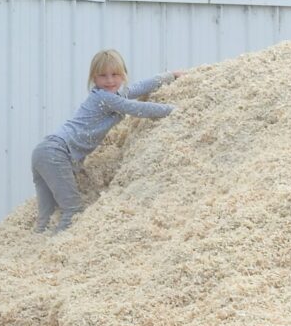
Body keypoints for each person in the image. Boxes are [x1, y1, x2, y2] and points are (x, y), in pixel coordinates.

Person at [32, 49, 182, 232]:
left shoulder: (113, 95)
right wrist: (177, 110)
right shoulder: (103, 98)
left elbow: (139, 87)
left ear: (123, 75)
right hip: (56, 153)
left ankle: (39, 241)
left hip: (43, 151)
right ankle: (57, 248)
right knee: (73, 210)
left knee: (47, 215)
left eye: (115, 74)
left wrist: (170, 76)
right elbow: (137, 108)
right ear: (93, 78)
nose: (110, 80)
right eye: (103, 76)